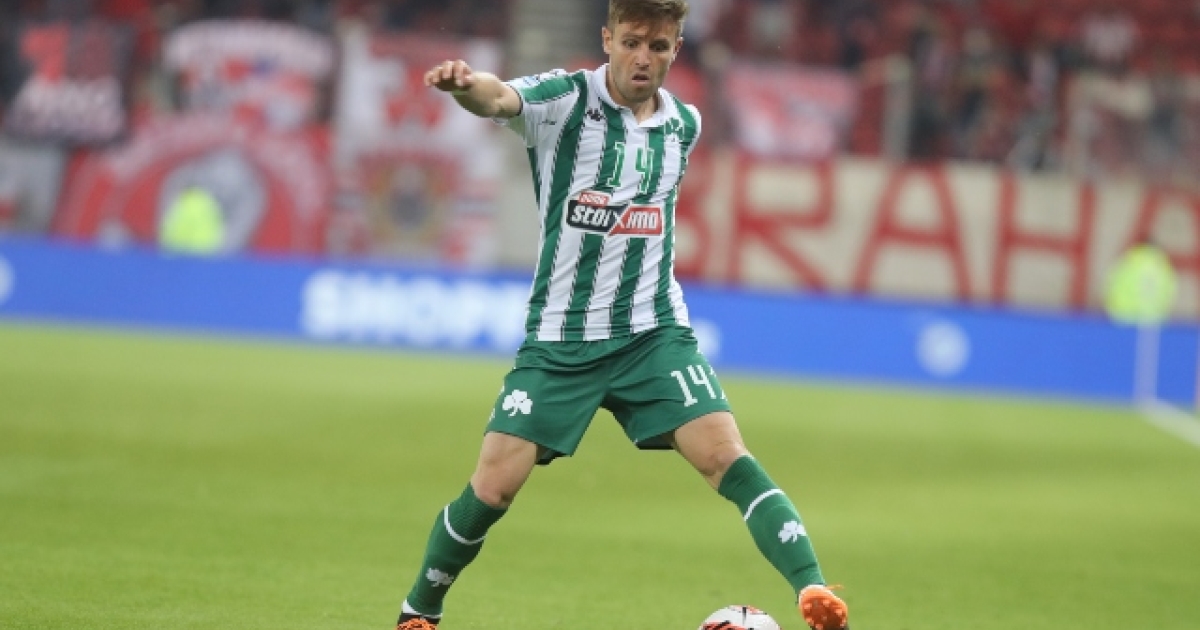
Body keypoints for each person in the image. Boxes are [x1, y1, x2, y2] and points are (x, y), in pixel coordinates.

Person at [394, 2, 850, 629]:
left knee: (727, 456)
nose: (643, 58)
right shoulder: (564, 100)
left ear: (676, 49)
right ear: (607, 38)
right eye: (632, 42)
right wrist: (465, 86)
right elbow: (499, 98)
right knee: (493, 488)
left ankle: (813, 589)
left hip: (652, 334)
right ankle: (419, 611)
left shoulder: (683, 125)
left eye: (658, 47)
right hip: (562, 340)